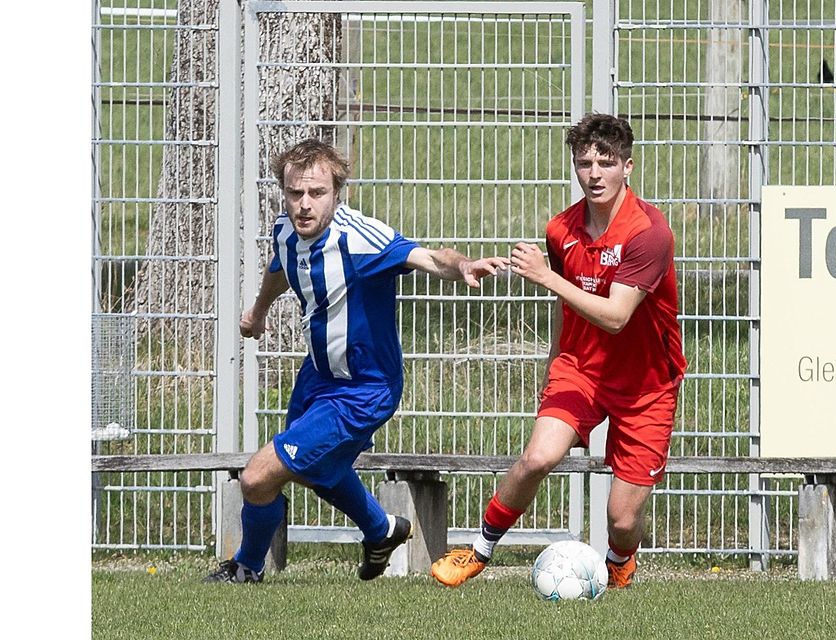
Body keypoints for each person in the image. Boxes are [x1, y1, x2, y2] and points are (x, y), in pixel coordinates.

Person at [205, 139, 508, 584]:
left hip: (364, 388)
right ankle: (381, 530)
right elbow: (281, 266)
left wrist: (461, 266)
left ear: (337, 193)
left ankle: (246, 567)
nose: (304, 205)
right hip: (318, 376)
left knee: (258, 476)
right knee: (313, 468)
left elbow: (427, 257)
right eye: (295, 193)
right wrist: (258, 311)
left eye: (317, 193)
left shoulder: (362, 239)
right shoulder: (286, 230)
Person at [430, 113, 686, 589]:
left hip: (646, 384)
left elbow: (616, 316)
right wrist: (554, 365)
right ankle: (478, 551)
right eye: (584, 163)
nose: (594, 174)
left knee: (622, 518)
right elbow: (564, 308)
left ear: (627, 167)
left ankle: (619, 561)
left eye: (606, 163)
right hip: (581, 369)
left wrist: (546, 276)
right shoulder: (560, 229)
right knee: (537, 458)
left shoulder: (649, 232)